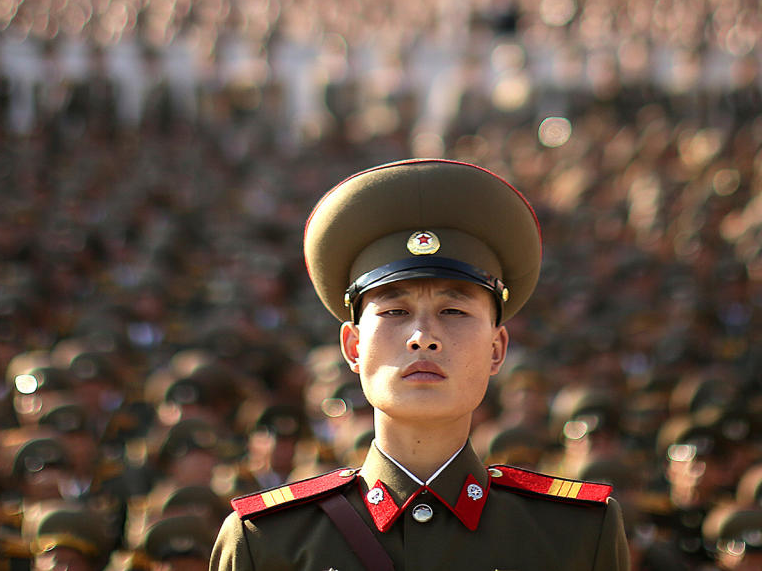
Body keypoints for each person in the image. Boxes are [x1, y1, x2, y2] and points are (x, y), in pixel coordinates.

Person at [210, 158, 630, 570]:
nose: (423, 337)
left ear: (496, 350)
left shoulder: (576, 535)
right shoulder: (267, 543)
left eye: (453, 312)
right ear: (353, 347)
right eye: (394, 312)